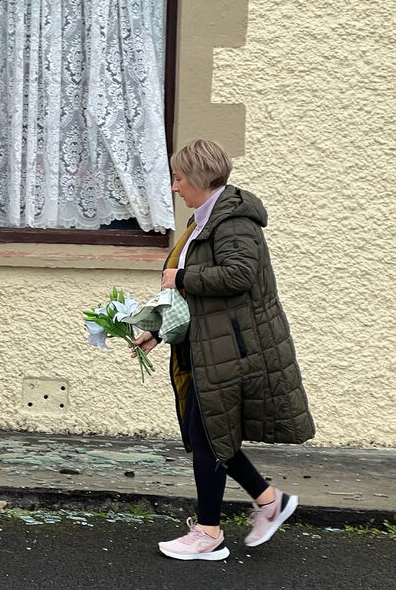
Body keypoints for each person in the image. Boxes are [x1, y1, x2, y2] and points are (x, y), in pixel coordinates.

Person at [132, 138, 315, 561]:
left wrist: (179, 278)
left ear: (198, 177)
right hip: (211, 348)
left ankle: (209, 532)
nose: (175, 187)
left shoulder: (232, 221)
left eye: (178, 178)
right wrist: (161, 330)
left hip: (232, 352)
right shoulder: (205, 221)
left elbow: (237, 276)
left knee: (209, 438)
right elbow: (202, 300)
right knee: (212, 436)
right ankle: (271, 502)